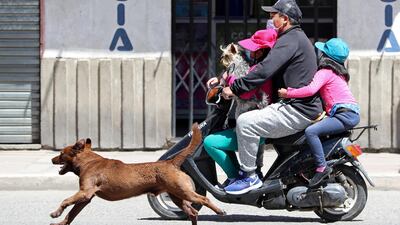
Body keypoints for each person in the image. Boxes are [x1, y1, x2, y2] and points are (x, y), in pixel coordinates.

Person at [221, 0, 324, 195]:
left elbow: (264, 70)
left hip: (297, 109)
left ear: (284, 19)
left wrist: (235, 88)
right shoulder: (293, 38)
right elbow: (258, 68)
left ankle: (249, 175)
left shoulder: (290, 40)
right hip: (295, 105)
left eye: (273, 15)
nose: (270, 19)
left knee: (246, 122)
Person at [278, 38, 360, 187]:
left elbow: (310, 90)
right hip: (349, 113)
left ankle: (321, 167)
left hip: (344, 115)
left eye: (321, 52)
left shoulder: (325, 72)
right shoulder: (339, 74)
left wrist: (288, 93)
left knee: (311, 132)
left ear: (325, 56)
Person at [204, 29, 277, 190]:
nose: (251, 51)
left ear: (263, 50)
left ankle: (235, 177)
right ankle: (248, 174)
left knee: (210, 142)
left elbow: (243, 90)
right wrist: (221, 78)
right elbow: (240, 77)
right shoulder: (261, 67)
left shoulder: (259, 71)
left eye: (254, 49)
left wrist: (228, 85)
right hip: (260, 123)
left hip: (253, 126)